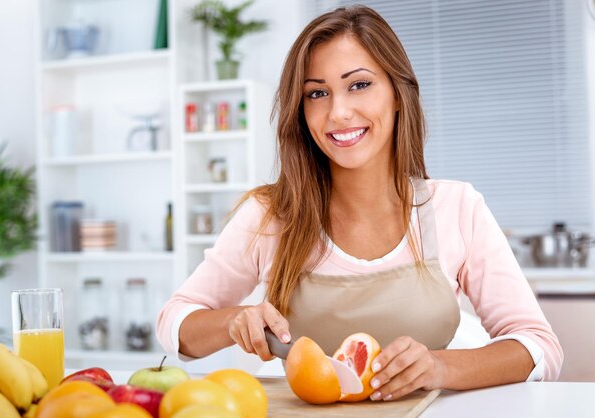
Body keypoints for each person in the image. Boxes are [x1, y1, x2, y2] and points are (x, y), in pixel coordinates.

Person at [157, 5, 562, 401]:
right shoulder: (271, 214)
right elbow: (174, 325)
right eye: (317, 93)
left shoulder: (457, 207)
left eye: (359, 84)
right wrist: (233, 321)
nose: (339, 112)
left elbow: (538, 346)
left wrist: (441, 367)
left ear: (398, 94)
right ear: (301, 112)